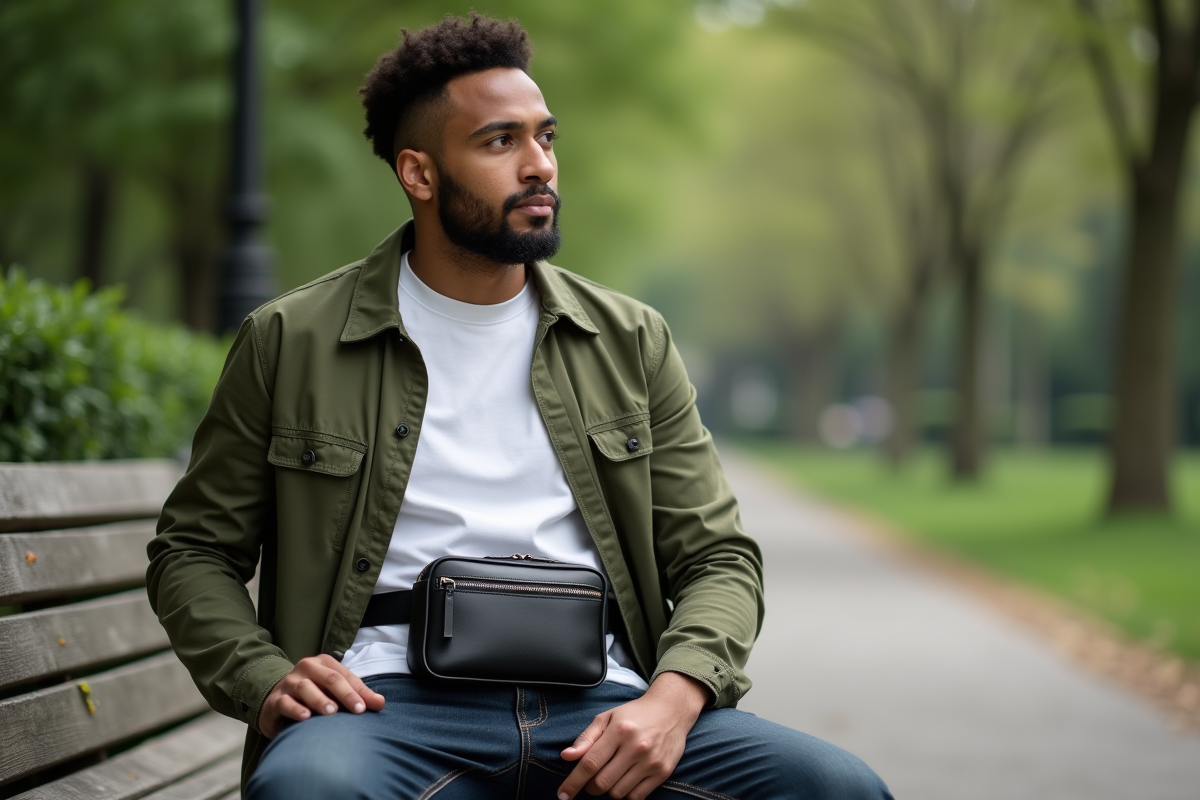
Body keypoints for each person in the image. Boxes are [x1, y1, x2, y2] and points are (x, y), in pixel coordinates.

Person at [147, 12, 893, 800]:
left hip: (606, 707)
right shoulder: (291, 340)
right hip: (382, 709)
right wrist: (262, 679)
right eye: (501, 142)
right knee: (309, 790)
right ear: (420, 173)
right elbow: (193, 551)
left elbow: (719, 559)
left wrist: (674, 698)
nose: (540, 166)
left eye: (546, 137)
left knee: (837, 787)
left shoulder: (630, 341)